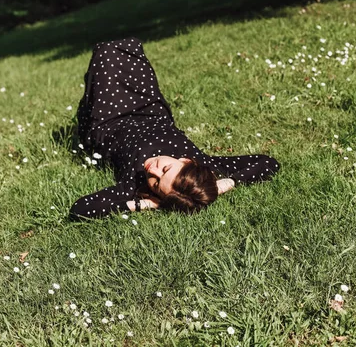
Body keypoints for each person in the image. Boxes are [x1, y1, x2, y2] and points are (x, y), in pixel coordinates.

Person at [69, 38, 280, 220]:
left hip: (109, 121)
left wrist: (142, 205)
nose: (152, 170)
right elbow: (268, 163)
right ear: (187, 162)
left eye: (156, 184)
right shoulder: (204, 164)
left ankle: (87, 109)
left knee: (107, 51)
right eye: (166, 169)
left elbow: (81, 209)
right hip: (149, 108)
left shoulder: (132, 185)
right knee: (129, 46)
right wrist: (226, 183)